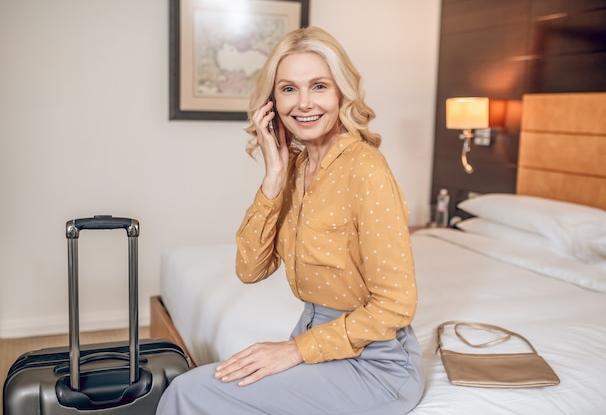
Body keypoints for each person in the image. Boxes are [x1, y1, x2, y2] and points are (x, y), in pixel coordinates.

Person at [156, 26, 424, 415]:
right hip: (317, 345)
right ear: (272, 104)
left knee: (189, 391)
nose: (304, 103)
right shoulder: (296, 168)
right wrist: (273, 179)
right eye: (288, 89)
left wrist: (294, 350)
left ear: (341, 94)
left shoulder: (366, 169)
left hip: (375, 366)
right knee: (210, 387)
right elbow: (249, 269)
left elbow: (396, 306)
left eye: (318, 86)